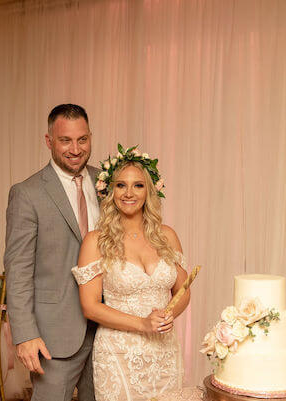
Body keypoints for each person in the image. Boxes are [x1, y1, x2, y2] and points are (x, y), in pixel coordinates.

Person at [71, 145, 191, 400]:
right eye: (121, 185)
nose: (129, 193)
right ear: (110, 190)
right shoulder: (96, 241)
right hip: (118, 354)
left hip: (164, 352)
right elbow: (90, 307)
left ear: (150, 191)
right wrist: (142, 324)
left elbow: (183, 291)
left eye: (138, 185)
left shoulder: (167, 236)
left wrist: (169, 314)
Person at [4, 104, 99, 401]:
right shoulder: (27, 193)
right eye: (65, 140)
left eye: (82, 139)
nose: (75, 149)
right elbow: (17, 270)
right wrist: (25, 334)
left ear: (90, 138)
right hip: (54, 334)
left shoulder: (109, 183)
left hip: (108, 329)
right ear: (49, 141)